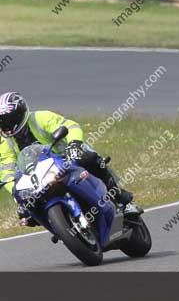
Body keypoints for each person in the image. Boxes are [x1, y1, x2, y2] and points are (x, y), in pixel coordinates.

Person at [0, 92, 135, 226]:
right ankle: (60, 225)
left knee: (89, 158)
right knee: (25, 211)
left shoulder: (40, 118)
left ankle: (120, 198)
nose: (8, 127)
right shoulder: (5, 142)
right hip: (38, 177)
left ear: (20, 114)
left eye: (10, 120)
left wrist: (74, 144)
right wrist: (14, 190)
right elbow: (7, 170)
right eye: (3, 123)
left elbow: (71, 126)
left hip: (67, 157)